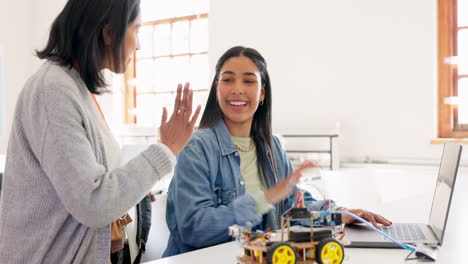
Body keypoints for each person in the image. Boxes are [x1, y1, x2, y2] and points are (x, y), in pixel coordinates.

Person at [0, 0, 201, 263]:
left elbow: (93, 181)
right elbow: (94, 202)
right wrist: (166, 149)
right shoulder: (54, 90)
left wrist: (136, 188)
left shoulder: (75, 87)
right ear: (108, 32)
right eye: (136, 30)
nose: (139, 44)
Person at [162, 46, 392, 257]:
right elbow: (195, 229)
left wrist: (339, 213)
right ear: (217, 89)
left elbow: (292, 206)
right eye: (228, 80)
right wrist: (265, 199)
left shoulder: (271, 146)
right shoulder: (196, 147)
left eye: (249, 81)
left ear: (262, 93)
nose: (237, 89)